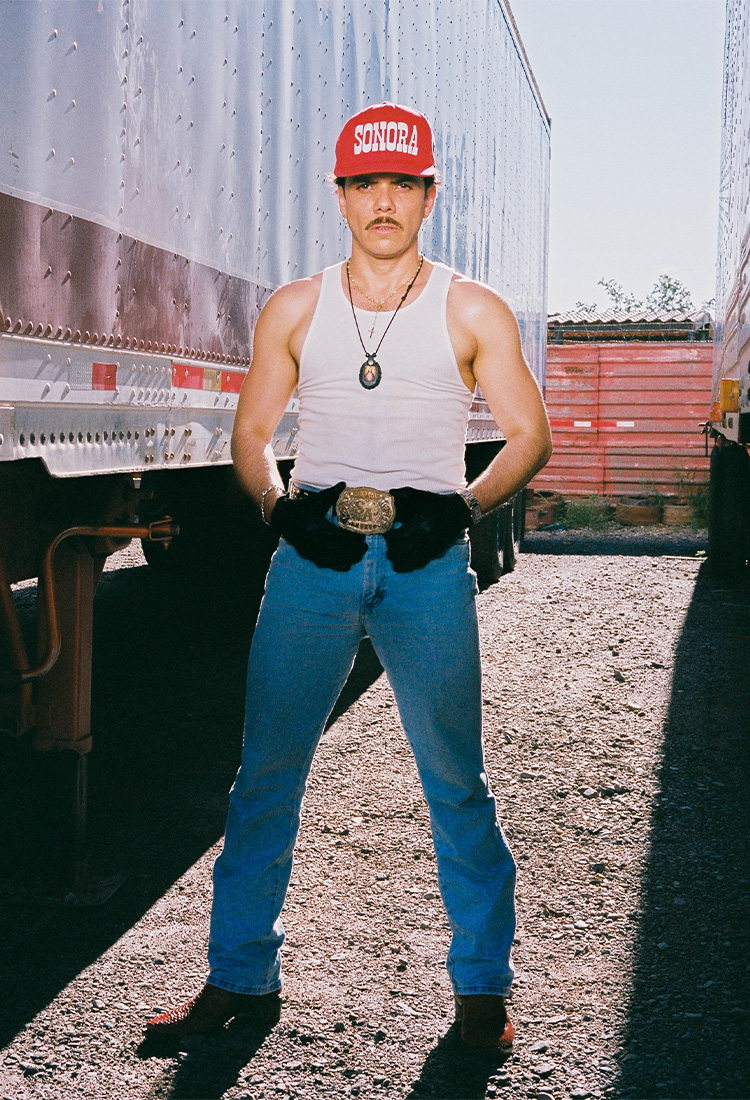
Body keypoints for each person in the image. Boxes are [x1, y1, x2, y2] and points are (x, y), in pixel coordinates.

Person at [146, 102, 552, 1048]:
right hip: (312, 563)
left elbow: (528, 435)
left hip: (426, 564)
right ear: (339, 196)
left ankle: (482, 992)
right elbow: (252, 435)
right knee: (265, 774)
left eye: (402, 184)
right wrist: (280, 509)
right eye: (365, 183)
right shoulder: (296, 307)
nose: (383, 202)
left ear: (429, 196)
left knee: (455, 779)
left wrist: (459, 509)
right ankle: (238, 981)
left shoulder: (471, 308)